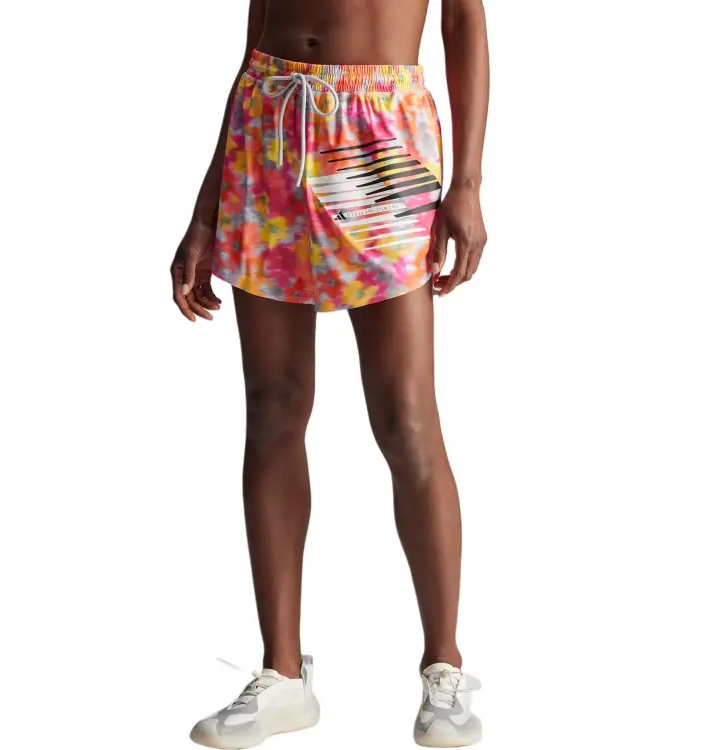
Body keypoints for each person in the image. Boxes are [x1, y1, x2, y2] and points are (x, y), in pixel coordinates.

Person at [170, 0, 488, 746]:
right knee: (273, 406)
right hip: (268, 128)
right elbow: (256, 37)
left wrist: (468, 183)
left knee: (405, 418)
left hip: (378, 137)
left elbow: (464, 21)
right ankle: (282, 675)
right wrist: (207, 205)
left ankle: (443, 666)